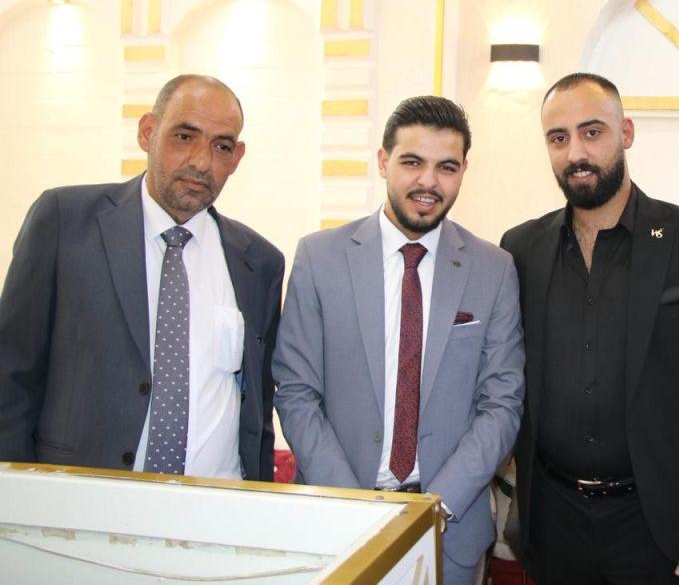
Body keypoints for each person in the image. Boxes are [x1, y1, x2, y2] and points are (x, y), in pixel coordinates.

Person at [501, 72, 679, 584]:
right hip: (553, 522)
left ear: (627, 133)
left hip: (660, 522)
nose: (576, 152)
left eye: (592, 132)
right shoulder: (521, 249)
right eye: (558, 138)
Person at [273, 95, 525, 585]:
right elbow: (296, 392)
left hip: (449, 531)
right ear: (383, 161)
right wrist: (353, 506)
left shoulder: (493, 269)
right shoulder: (320, 258)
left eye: (446, 167)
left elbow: (502, 403)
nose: (428, 182)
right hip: (335, 525)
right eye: (412, 162)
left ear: (463, 171)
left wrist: (437, 506)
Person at [0, 74, 284, 481]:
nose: (201, 162)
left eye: (221, 146)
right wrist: (17, 494)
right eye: (184, 137)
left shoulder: (260, 263)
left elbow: (258, 407)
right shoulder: (65, 221)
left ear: (236, 158)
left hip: (217, 503)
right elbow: (11, 374)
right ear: (147, 131)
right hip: (82, 499)